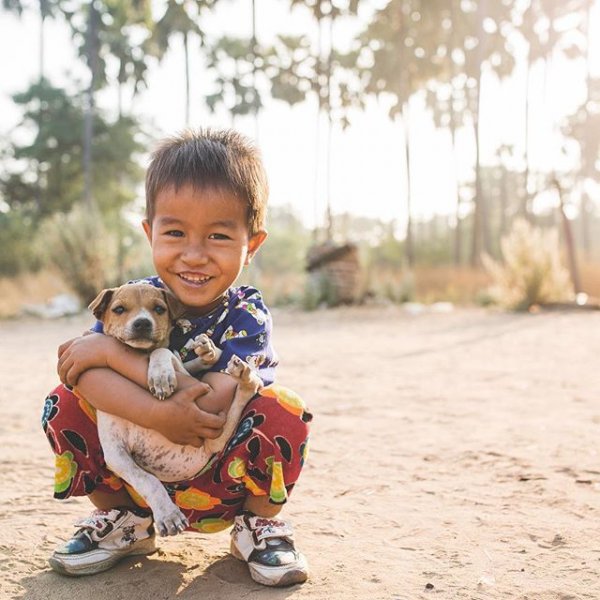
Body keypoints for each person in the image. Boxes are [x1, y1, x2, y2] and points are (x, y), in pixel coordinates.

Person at [42, 129, 312, 587]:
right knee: (62, 403)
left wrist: (111, 353)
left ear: (254, 244)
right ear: (149, 232)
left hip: (219, 477)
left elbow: (211, 406)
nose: (194, 254)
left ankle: (258, 525)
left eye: (219, 235)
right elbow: (78, 372)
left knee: (283, 408)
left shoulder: (246, 316)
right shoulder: (135, 300)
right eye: (174, 232)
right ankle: (125, 521)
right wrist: (150, 408)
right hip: (131, 476)